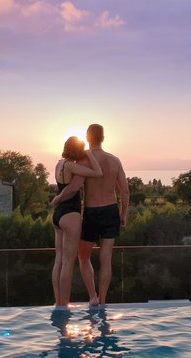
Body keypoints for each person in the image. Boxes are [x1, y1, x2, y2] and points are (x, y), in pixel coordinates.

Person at [52, 124, 129, 307]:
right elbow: (125, 191)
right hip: (111, 210)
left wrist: (58, 198)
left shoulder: (83, 160)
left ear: (87, 138)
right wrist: (123, 214)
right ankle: (102, 300)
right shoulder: (115, 160)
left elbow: (74, 187)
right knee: (106, 258)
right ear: (103, 138)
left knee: (83, 257)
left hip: (92, 212)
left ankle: (92, 296)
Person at [51, 136, 102, 309]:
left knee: (59, 260)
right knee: (68, 262)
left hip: (57, 216)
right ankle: (64, 304)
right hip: (70, 215)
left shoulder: (59, 164)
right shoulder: (73, 166)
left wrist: (57, 199)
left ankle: (58, 301)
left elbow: (65, 186)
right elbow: (97, 172)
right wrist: (90, 154)